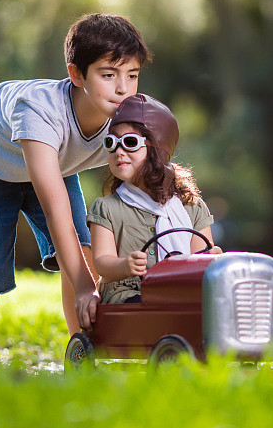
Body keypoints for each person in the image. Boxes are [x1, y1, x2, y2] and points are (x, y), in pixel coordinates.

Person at [0, 13, 150, 356]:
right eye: (108, 75)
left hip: (50, 163)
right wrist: (83, 288)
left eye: (132, 75)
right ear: (76, 74)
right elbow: (55, 208)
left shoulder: (129, 121)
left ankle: (84, 354)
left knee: (87, 256)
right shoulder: (40, 111)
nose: (123, 87)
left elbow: (157, 185)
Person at [87, 93, 223, 304]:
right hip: (127, 294)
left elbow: (200, 258)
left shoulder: (192, 207)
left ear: (157, 150)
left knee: (217, 306)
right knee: (149, 307)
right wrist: (124, 266)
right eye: (111, 143)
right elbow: (102, 261)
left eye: (129, 142)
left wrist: (210, 257)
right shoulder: (106, 208)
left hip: (181, 292)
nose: (118, 151)